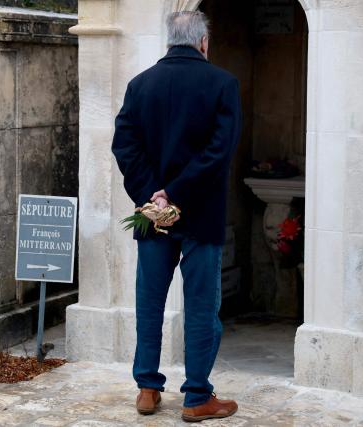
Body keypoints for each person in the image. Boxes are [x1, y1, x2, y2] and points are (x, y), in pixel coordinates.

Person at [111, 10, 242, 423]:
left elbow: (124, 148)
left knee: (149, 302)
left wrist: (154, 196)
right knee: (201, 306)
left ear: (169, 41)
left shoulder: (139, 85)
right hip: (200, 214)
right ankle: (197, 397)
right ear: (203, 42)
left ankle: (148, 389)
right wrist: (176, 193)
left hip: (152, 215)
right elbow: (218, 152)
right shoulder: (223, 84)